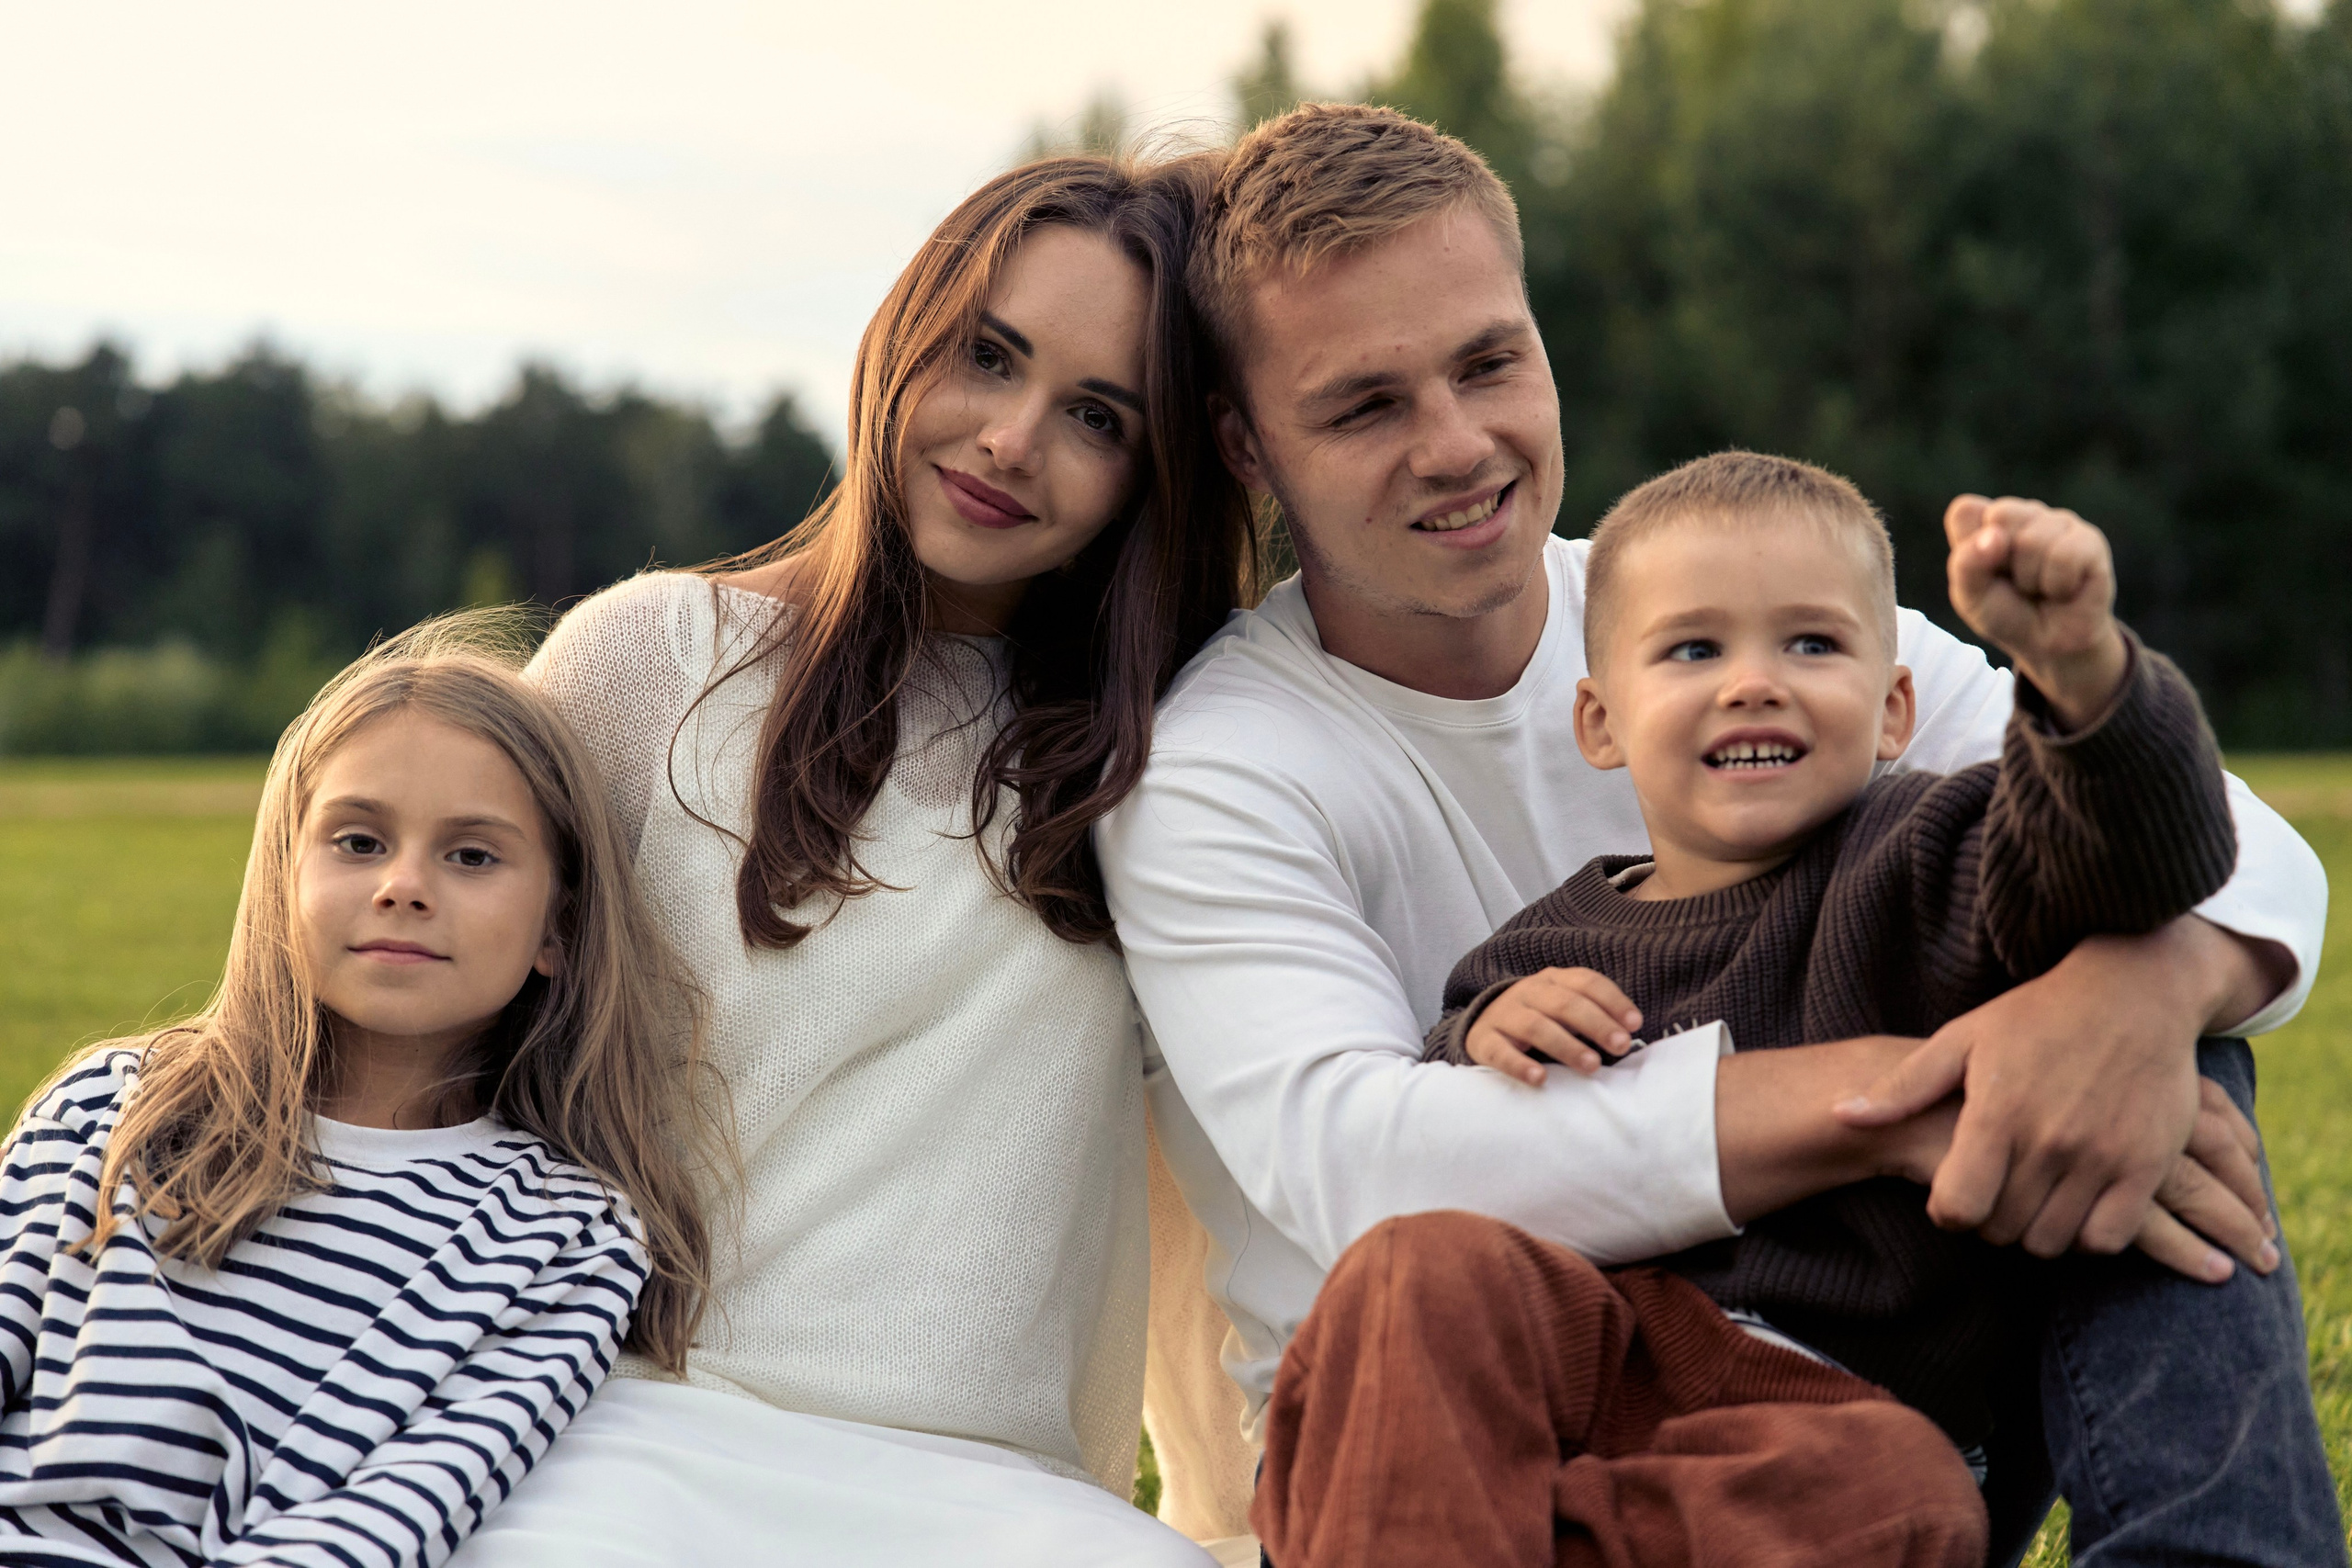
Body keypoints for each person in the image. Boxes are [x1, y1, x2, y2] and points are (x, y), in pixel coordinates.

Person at [1100, 104, 2335, 1564]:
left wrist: (2136, 997)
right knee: (1428, 1269)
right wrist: (1901, 1095)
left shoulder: (1720, 606)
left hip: (1818, 1415)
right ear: (1248, 444)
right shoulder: (1219, 760)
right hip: (1455, 1432)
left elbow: (2243, 850)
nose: (1457, 443)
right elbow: (1365, 1162)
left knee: (2143, 983)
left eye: (1490, 362)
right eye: (1365, 405)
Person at [1252, 450, 2313, 1563]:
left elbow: (2133, 871)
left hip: (1830, 1415)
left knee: (1893, 1491)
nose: (1752, 681)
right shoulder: (1548, 941)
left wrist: (2083, 684)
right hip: (1603, 1362)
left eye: (1811, 643)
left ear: (1896, 706)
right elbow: (1452, 1138)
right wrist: (1479, 1035)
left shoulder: (1932, 853)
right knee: (1418, 1271)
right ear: (1600, 723)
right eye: (1693, 649)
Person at [447, 153, 1258, 1567]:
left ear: (1155, 473)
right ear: (905, 333)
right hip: (630, 1433)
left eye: (1095, 414)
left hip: (996, 1490)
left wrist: (1222, 1507)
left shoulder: (1167, 762)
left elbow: (1238, 1172)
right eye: (988, 356)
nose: (1011, 437)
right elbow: (432, 1069)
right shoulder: (650, 661)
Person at [0, 615, 714, 1568]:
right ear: (285, 875)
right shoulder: (115, 1106)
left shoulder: (565, 1237)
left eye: (472, 856)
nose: (404, 887)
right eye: (358, 840)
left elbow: (390, 1519)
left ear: (558, 929)